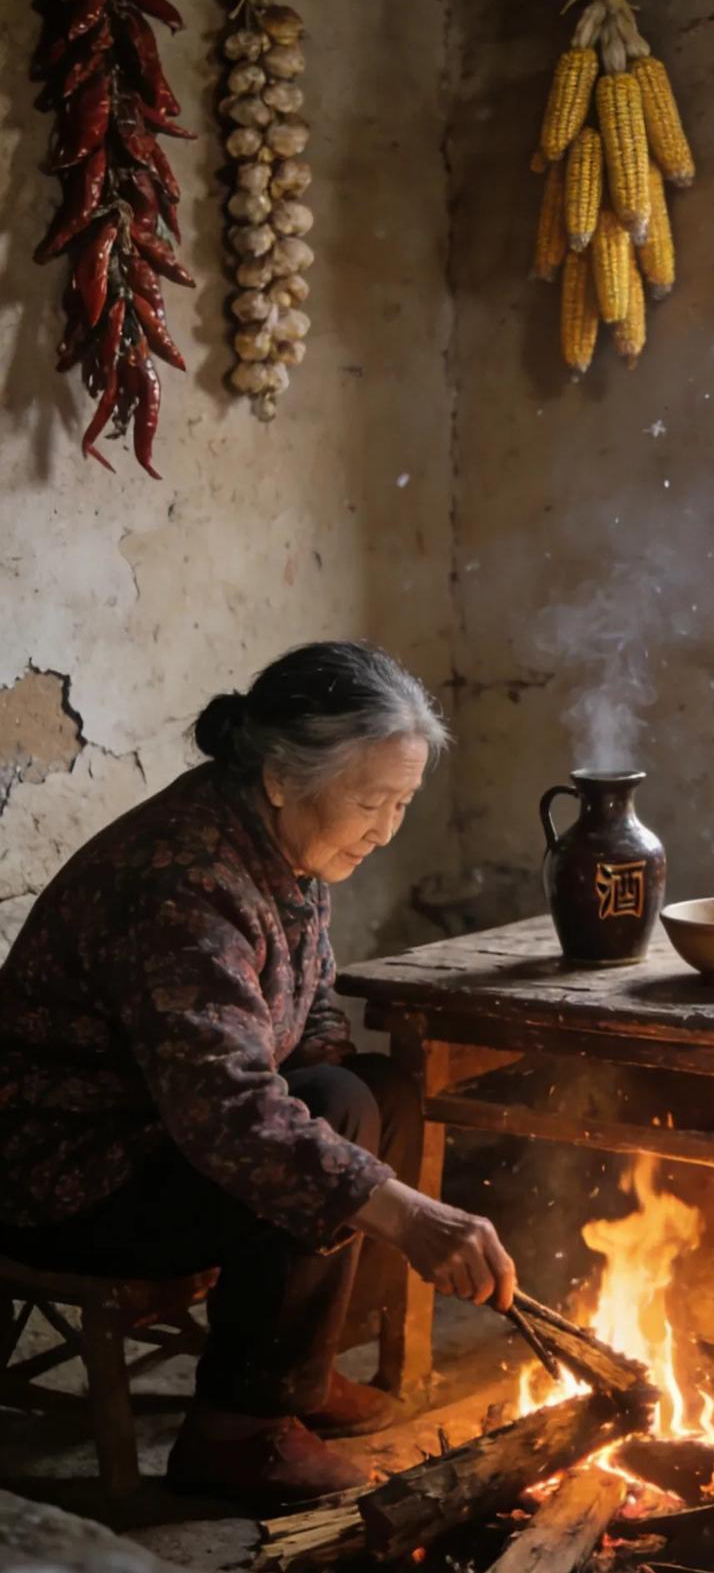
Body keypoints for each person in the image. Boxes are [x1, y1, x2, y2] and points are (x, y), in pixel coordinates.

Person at [0, 640, 516, 1504]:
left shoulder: (287, 841)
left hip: (166, 1134)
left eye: (402, 802)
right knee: (337, 1108)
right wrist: (407, 1212)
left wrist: (348, 1112)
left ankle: (296, 1371)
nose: (386, 829)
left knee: (379, 1092)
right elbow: (229, 1110)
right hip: (69, 1177)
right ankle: (238, 1430)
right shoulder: (182, 880)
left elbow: (305, 1006)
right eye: (370, 803)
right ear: (281, 776)